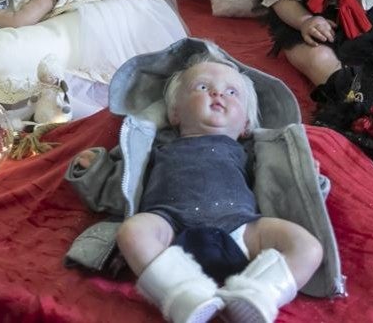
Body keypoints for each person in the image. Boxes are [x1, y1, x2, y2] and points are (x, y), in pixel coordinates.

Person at [69, 53, 323, 323]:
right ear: (175, 112)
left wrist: (304, 180)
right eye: (202, 87)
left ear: (246, 125)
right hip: (169, 228)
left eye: (232, 92)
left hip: (242, 229)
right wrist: (95, 170)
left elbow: (279, 191)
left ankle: (256, 294)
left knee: (308, 247)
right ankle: (184, 293)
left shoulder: (252, 153)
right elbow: (122, 185)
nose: (218, 93)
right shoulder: (155, 147)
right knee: (132, 232)